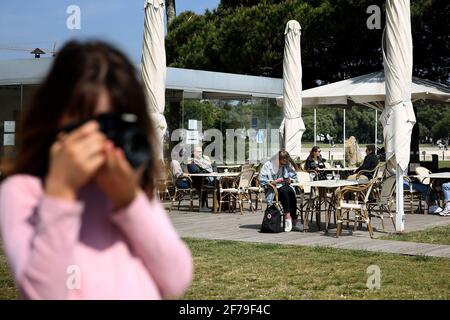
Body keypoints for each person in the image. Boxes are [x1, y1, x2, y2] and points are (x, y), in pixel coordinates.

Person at [0, 41, 193, 299]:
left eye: (116, 125)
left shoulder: (126, 186)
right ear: (55, 120)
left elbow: (176, 278)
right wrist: (60, 192)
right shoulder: (24, 191)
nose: (102, 140)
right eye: (89, 125)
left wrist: (129, 201)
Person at [259, 150, 301, 232]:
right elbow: (262, 181)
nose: (283, 164)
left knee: (290, 192)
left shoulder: (286, 165)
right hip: (272, 191)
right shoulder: (268, 165)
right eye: (282, 163)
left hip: (285, 187)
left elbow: (294, 177)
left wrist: (290, 180)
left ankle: (292, 218)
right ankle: (289, 217)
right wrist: (275, 182)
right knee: (284, 191)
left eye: (285, 163)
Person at [187, 145, 215, 211]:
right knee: (206, 183)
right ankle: (202, 206)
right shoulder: (191, 161)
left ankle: (224, 206)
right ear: (194, 152)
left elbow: (213, 166)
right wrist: (209, 173)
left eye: (201, 152)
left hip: (208, 178)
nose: (200, 153)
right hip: (197, 181)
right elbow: (196, 171)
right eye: (198, 151)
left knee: (222, 182)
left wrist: (213, 170)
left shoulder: (204, 159)